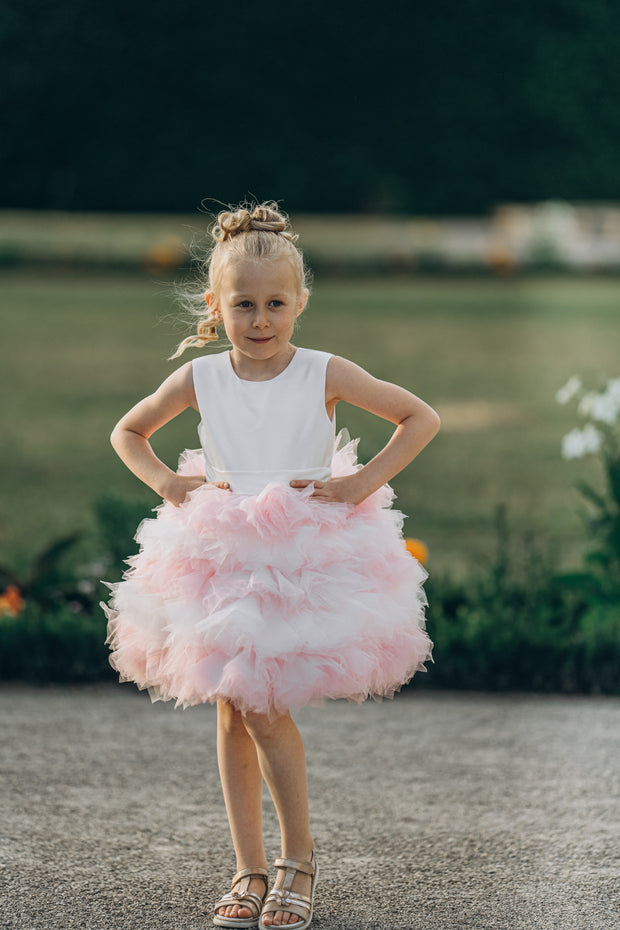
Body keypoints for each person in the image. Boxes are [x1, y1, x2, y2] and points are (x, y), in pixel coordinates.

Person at [102, 201, 440, 930]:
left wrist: (358, 484)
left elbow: (420, 418)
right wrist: (166, 482)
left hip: (300, 552)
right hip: (220, 551)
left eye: (276, 304)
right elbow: (128, 432)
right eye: (243, 304)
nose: (260, 320)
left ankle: (298, 858)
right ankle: (249, 866)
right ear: (214, 305)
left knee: (263, 706)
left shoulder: (324, 371)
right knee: (231, 709)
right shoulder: (202, 379)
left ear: (301, 302)